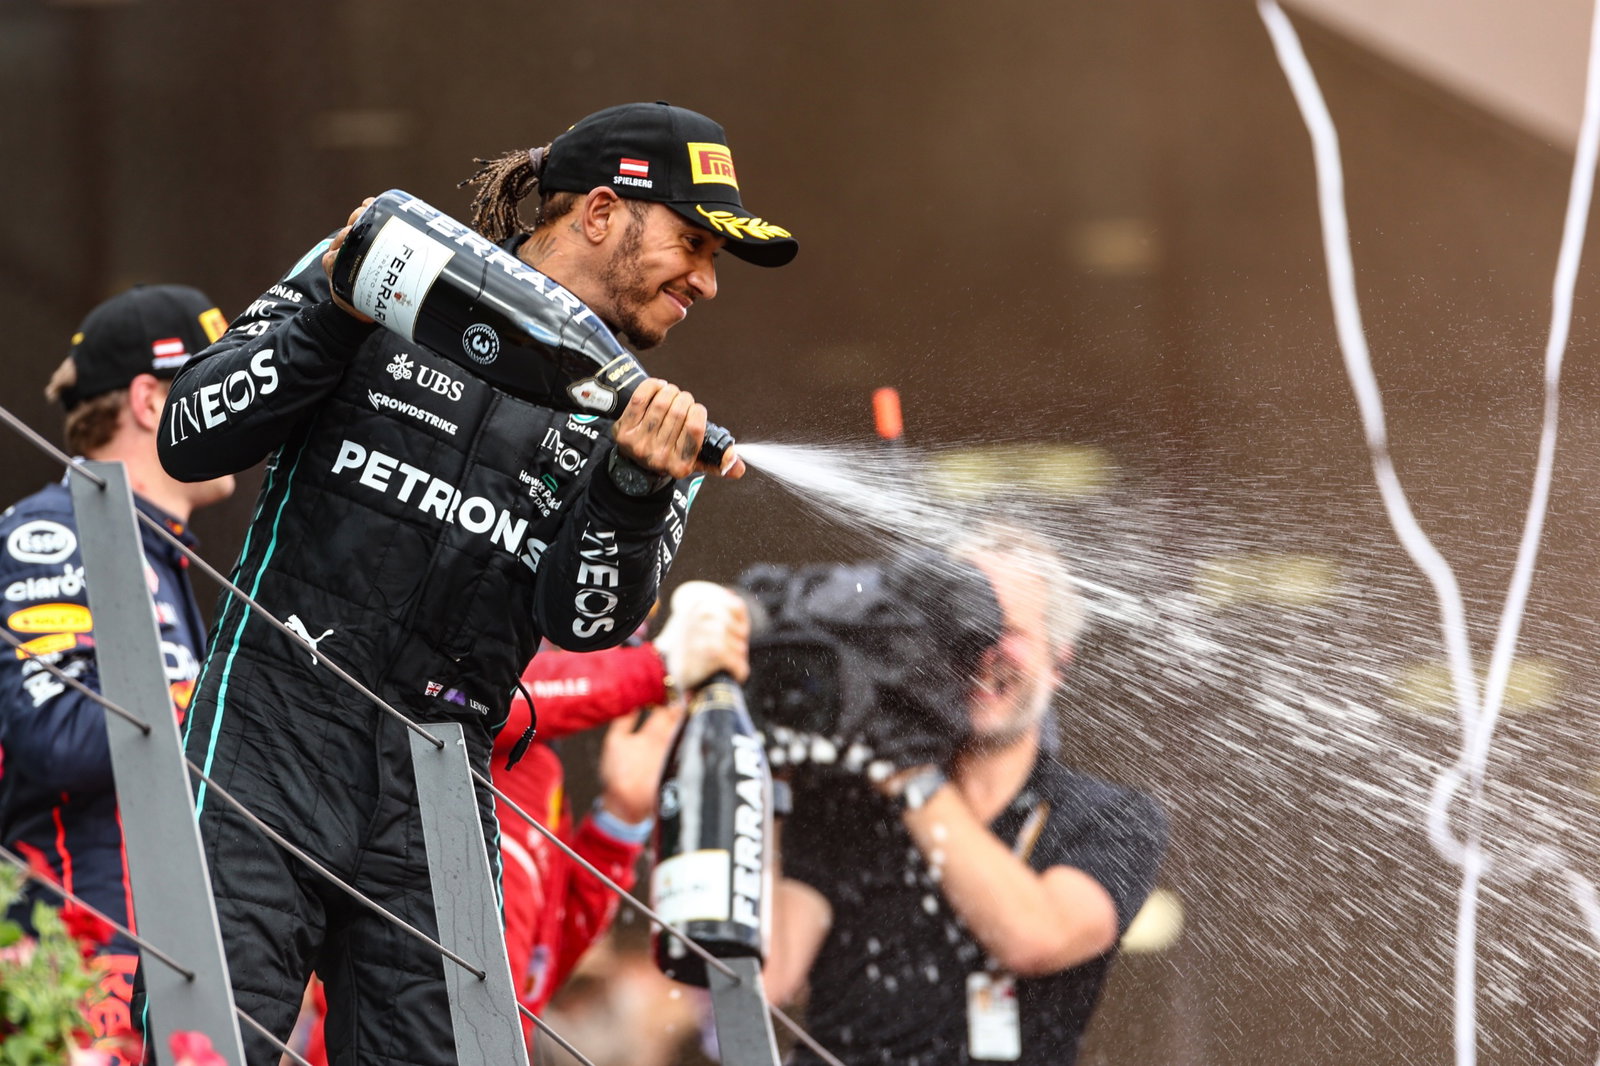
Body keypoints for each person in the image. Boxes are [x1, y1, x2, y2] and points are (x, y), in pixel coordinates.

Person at [154, 101, 795, 1065]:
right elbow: (190, 435)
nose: (706, 280)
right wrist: (335, 311)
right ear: (600, 213)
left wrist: (632, 488)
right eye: (692, 243)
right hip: (268, 735)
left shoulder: (648, 424)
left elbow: (583, 623)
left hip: (445, 784)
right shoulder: (391, 271)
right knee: (197, 1047)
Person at [763, 530, 1168, 1066]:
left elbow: (1036, 937)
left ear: (1059, 662)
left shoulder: (1112, 817)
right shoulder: (848, 794)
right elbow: (768, 975)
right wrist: (757, 773)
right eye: (960, 628)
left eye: (1008, 630)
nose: (982, 650)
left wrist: (909, 773)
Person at [0, 285, 235, 1064]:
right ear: (148, 399)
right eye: (219, 384)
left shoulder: (154, 549)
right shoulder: (55, 530)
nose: (244, 408)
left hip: (153, 953)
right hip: (80, 949)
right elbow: (57, 736)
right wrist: (222, 696)